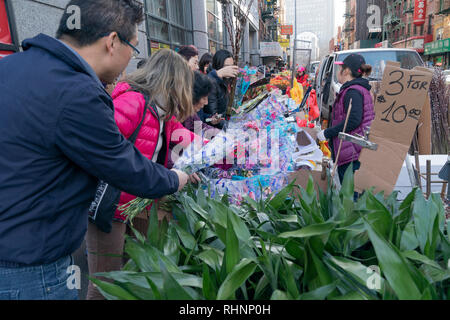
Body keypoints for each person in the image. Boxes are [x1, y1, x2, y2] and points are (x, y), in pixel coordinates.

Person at [0, 0, 189, 300]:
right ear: (113, 41)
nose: (131, 59)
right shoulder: (78, 92)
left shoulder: (8, 67)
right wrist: (175, 179)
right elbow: (123, 164)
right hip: (32, 271)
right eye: (134, 47)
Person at [86, 48, 200, 300]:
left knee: (130, 273)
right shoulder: (132, 103)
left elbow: (185, 137)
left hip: (135, 204)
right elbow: (100, 148)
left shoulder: (162, 111)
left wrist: (224, 148)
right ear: (172, 81)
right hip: (110, 206)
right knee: (105, 283)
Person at [317, 53, 375, 183]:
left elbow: (354, 120)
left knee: (351, 196)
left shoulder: (353, 91)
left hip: (352, 154)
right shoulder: (358, 89)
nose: (338, 71)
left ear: (347, 71)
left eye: (340, 68)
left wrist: (327, 132)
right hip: (355, 150)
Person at [202, 49, 239, 129]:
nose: (230, 69)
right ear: (219, 65)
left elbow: (221, 109)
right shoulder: (212, 83)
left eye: (231, 66)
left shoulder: (225, 81)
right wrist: (232, 127)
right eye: (226, 66)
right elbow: (213, 116)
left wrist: (228, 110)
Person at [183, 71, 221, 138]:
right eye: (204, 98)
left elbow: (201, 127)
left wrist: (221, 134)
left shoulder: (191, 113)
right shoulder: (174, 115)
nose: (206, 102)